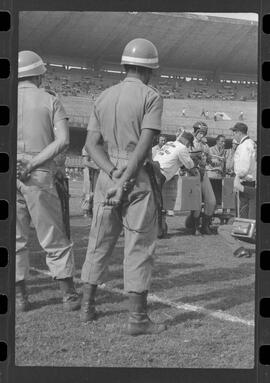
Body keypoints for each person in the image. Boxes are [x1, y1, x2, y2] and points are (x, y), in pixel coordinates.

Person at [80, 38, 167, 335]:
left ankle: (87, 307)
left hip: (107, 175)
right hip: (136, 176)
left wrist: (112, 172)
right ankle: (138, 320)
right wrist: (127, 177)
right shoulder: (151, 96)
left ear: (125, 65)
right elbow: (144, 145)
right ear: (149, 70)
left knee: (98, 241)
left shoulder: (103, 96)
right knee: (139, 246)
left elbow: (91, 144)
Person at [16, 50, 80, 313]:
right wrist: (32, 163)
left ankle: (20, 297)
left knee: (14, 237)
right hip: (39, 171)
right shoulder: (50, 100)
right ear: (39, 75)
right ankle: (68, 294)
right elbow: (63, 140)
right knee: (52, 233)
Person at [187, 121, 216, 235]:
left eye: (204, 132)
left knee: (211, 201)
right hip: (193, 174)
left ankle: (205, 226)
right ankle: (195, 227)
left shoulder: (205, 144)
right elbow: (186, 157)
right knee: (197, 203)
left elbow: (208, 158)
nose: (202, 135)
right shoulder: (189, 142)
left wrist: (212, 162)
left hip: (203, 173)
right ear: (195, 131)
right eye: (200, 132)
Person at [230, 122, 256, 220]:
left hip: (244, 182)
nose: (234, 135)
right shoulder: (252, 143)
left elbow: (243, 168)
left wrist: (237, 179)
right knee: (249, 210)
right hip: (251, 181)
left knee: (242, 211)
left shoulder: (243, 146)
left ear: (239, 133)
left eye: (234, 132)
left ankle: (242, 232)